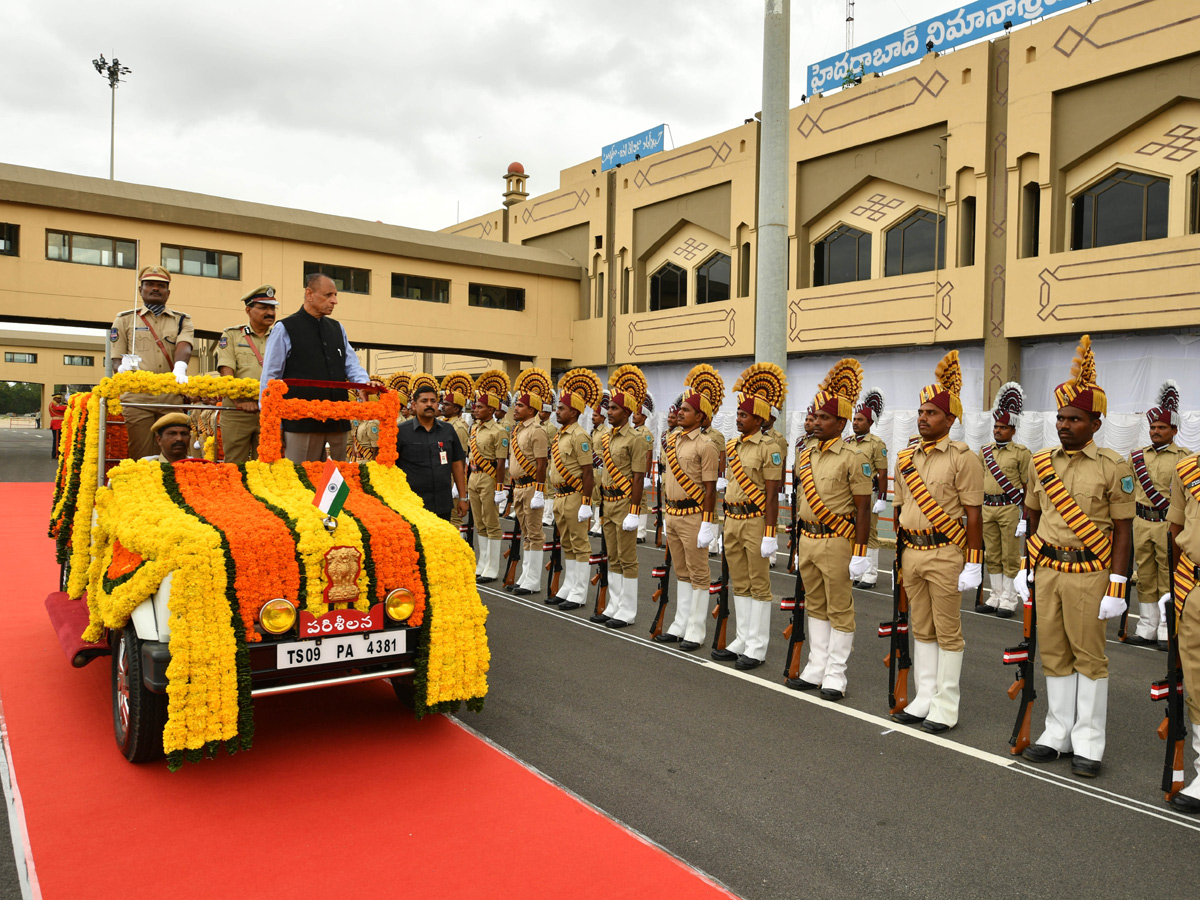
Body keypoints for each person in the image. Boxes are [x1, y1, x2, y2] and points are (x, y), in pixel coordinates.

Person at [1015, 336, 1133, 777]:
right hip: (1047, 568)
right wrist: (1026, 568)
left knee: (1089, 656)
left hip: (1090, 572)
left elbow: (1123, 531)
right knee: (1054, 652)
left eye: (1075, 419)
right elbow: (1030, 514)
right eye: (1061, 417)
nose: (1064, 425)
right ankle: (1057, 732)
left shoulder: (1113, 466)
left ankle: (1088, 741)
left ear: (1095, 424)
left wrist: (1118, 585)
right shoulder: (1040, 462)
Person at [890, 350, 984, 734]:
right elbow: (899, 510)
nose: (923, 417)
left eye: (931, 413)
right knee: (921, 628)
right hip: (912, 551)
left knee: (947, 630)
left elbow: (973, 515)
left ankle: (946, 705)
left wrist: (974, 562)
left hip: (945, 553)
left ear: (950, 419)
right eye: (921, 411)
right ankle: (924, 697)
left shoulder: (964, 458)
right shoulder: (906, 457)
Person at [789, 360, 872, 698]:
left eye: (825, 418)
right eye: (816, 416)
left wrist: (860, 553)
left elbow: (864, 509)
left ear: (841, 422)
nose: (817, 422)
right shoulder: (805, 453)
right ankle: (816, 666)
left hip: (838, 539)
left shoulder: (854, 456)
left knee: (839, 606)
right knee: (815, 604)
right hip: (808, 537)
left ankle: (836, 673)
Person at [709, 363, 785, 671]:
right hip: (733, 520)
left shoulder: (769, 448)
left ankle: (757, 646)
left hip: (755, 520)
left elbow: (771, 493)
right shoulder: (732, 445)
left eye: (744, 415)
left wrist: (770, 531)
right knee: (739, 581)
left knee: (758, 582)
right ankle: (742, 638)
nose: (738, 418)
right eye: (738, 414)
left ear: (759, 419)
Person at [259, 273, 369, 463]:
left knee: (338, 483)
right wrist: (271, 421)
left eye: (335, 295)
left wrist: (363, 384)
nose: (334, 301)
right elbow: (270, 378)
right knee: (301, 482)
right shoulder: (285, 328)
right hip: (302, 424)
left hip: (337, 422)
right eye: (328, 295)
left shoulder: (337, 328)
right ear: (309, 294)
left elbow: (352, 365)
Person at [654, 377, 721, 650]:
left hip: (694, 515)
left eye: (687, 410)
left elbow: (710, 488)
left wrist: (708, 522)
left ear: (700, 416)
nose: (679, 412)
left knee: (698, 573)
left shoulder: (706, 445)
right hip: (672, 513)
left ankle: (696, 629)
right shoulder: (672, 440)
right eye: (680, 408)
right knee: (681, 571)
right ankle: (680, 623)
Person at [110, 265, 194, 459]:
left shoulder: (182, 320)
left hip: (170, 398)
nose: (155, 288)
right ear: (140, 290)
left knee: (175, 451)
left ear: (168, 292)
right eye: (150, 284)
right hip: (137, 399)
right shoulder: (124, 320)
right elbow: (116, 357)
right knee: (141, 453)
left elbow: (185, 346)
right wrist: (122, 370)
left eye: (161, 285)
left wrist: (180, 368)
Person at [1128, 381, 1189, 648]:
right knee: (1144, 574)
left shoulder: (1184, 458)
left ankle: (1166, 627)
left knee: (1168, 574)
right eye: (1152, 427)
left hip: (1168, 524)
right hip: (1141, 522)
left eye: (1161, 427)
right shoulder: (1136, 457)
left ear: (1174, 430)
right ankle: (1146, 627)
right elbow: (1127, 489)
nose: (1155, 431)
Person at [592, 366, 650, 628]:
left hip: (625, 503)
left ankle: (627, 610)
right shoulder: (606, 438)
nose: (609, 412)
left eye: (614, 409)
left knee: (627, 558)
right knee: (612, 557)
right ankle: (614, 606)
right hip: (608, 502)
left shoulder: (636, 439)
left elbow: (638, 478)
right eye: (609, 408)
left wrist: (634, 511)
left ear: (627, 412)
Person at [1164, 437, 1200, 812]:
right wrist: (1176, 586)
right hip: (1194, 587)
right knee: (1197, 680)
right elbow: (1175, 531)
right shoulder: (1188, 469)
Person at [547, 369, 601, 610]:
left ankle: (579, 593)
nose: (557, 412)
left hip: (575, 494)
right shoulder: (560, 434)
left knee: (580, 544)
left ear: (574, 412)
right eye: (558, 408)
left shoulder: (579, 436)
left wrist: (587, 503)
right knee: (567, 543)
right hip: (560, 495)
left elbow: (588, 472)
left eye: (561, 409)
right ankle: (569, 587)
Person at [978, 382, 1031, 617]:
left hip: (1010, 508)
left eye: (1003, 427)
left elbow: (1028, 486)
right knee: (993, 553)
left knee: (1010, 554)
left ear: (1013, 430)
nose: (997, 430)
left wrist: (1025, 516)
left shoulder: (1021, 453)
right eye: (996, 426)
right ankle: (995, 595)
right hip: (987, 506)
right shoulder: (984, 451)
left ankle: (1009, 599)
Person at [215, 284, 277, 464]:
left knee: (268, 465)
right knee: (235, 465)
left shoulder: (280, 335)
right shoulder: (232, 335)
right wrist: (240, 402)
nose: (270, 312)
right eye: (263, 307)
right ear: (248, 310)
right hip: (238, 411)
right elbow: (226, 372)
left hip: (269, 411)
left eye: (272, 308)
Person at [392, 379, 467, 522]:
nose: (429, 404)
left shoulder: (448, 430)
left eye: (433, 401)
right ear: (414, 404)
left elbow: (457, 464)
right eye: (424, 401)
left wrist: (463, 497)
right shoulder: (401, 431)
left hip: (442, 503)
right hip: (412, 504)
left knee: (442, 542)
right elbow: (390, 468)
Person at [506, 368, 552, 595]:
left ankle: (533, 580)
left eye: (520, 406)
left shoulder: (537, 431)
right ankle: (525, 575)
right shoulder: (517, 430)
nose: (516, 408)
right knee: (526, 533)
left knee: (534, 533)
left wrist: (540, 492)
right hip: (519, 487)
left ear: (531, 409)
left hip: (532, 486)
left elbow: (542, 464)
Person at [469, 370, 510, 583]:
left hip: (489, 477)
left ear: (491, 410)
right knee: (479, 522)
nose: (475, 410)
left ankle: (492, 567)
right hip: (474, 477)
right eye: (475, 406)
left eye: (480, 407)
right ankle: (482, 563)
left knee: (491, 522)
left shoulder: (499, 431)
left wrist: (500, 488)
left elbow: (502, 461)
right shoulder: (474, 428)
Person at [846, 388, 889, 589]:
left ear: (870, 423)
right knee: (853, 531)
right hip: (849, 494)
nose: (855, 422)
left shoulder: (876, 444)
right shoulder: (847, 443)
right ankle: (857, 569)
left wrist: (881, 498)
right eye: (854, 419)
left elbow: (882, 472)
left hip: (868, 494)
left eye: (860, 420)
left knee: (869, 533)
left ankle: (870, 573)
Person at [440, 371, 475, 533]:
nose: (442, 406)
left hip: (453, 478)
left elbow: (460, 458)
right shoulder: (444, 423)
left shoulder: (459, 427)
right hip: (444, 476)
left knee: (454, 519)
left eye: (447, 405)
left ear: (456, 408)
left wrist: (458, 486)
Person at [633, 394, 655, 543]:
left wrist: (647, 476)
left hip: (641, 472)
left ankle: (641, 532)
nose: (634, 416)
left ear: (644, 417)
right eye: (634, 413)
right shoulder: (633, 431)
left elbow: (648, 456)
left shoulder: (646, 433)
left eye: (637, 414)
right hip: (632, 470)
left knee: (641, 500)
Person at [589, 394, 610, 536]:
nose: (592, 417)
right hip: (593, 469)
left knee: (602, 497)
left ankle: (601, 523)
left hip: (601, 469)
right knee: (595, 496)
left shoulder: (606, 433)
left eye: (595, 415)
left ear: (602, 417)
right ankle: (597, 522)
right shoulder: (593, 432)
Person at [539, 394, 559, 527]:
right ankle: (544, 512)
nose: (539, 413)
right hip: (540, 460)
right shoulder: (538, 425)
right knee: (543, 487)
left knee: (550, 488)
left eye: (542, 410)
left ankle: (549, 515)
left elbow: (553, 446)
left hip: (549, 460)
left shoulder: (551, 427)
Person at [48, 393, 68, 459]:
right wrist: (67, 405)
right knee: (57, 440)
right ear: (54, 398)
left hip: (60, 424)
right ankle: (56, 454)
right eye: (58, 398)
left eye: (60, 398)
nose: (59, 400)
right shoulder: (53, 405)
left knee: (60, 440)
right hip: (57, 424)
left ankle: (58, 453)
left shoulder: (57, 405)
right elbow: (61, 409)